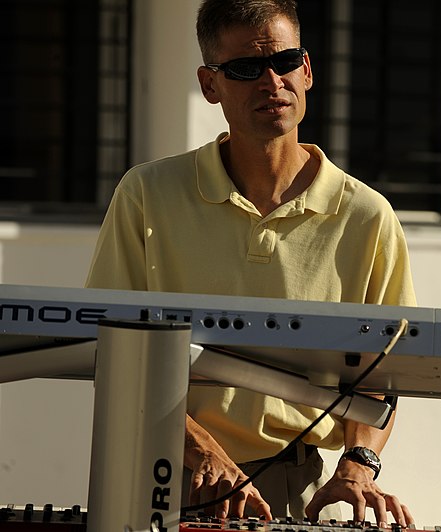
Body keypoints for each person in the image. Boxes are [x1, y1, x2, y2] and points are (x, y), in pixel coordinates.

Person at [84, 0, 416, 526]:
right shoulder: (146, 194)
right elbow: (111, 349)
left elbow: (385, 371)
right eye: (245, 68)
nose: (271, 81)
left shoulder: (367, 216)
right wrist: (200, 451)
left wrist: (358, 466)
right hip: (163, 471)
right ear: (209, 84)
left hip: (293, 481)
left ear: (307, 71)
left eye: (285, 62)